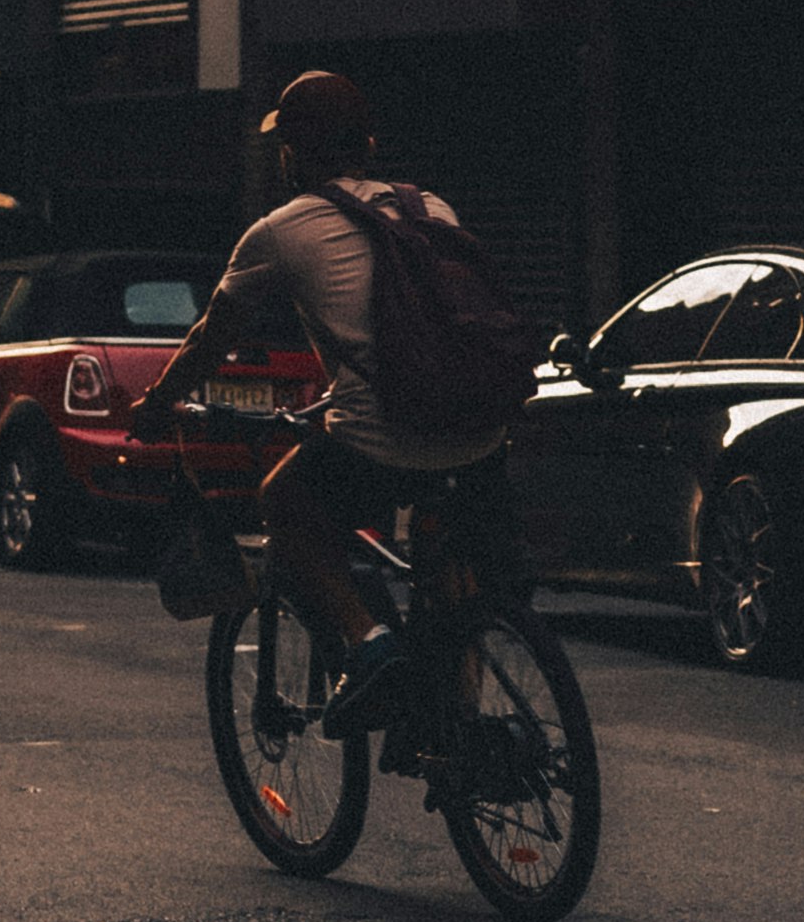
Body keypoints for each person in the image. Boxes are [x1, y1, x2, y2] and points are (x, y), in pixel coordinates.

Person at [128, 65, 522, 731]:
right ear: (365, 144)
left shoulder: (281, 230)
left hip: (383, 434)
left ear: (296, 150)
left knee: (284, 498)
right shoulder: (432, 208)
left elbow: (210, 337)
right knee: (456, 573)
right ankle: (464, 726)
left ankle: (370, 644)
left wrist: (158, 403)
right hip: (478, 428)